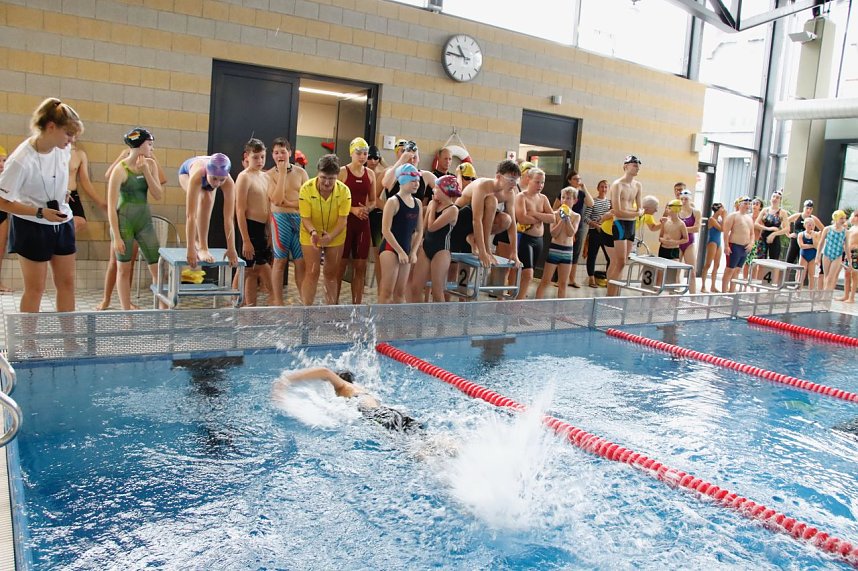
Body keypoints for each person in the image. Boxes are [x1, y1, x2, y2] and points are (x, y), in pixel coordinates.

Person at [0, 98, 83, 319]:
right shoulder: (21, 159)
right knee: (36, 288)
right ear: (50, 127)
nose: (71, 140)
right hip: (32, 224)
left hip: (62, 221)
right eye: (68, 134)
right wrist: (39, 212)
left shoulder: (62, 149)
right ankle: (28, 345)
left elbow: (56, 175)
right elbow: (2, 200)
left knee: (67, 283)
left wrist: (61, 192)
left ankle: (69, 341)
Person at [96, 146, 168, 311]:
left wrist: (147, 169)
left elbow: (161, 184)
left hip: (141, 220)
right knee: (116, 263)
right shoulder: (124, 159)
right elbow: (109, 176)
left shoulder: (150, 161)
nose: (151, 147)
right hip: (124, 220)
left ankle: (128, 303)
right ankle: (107, 299)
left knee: (133, 264)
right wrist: (123, 157)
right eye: (149, 144)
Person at [272, 367, 423, 433]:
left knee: (413, 451)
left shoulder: (343, 387)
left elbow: (324, 371)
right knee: (424, 442)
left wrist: (286, 380)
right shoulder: (360, 390)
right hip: (391, 413)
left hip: (380, 416)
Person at [298, 154, 351, 305]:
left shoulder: (344, 191)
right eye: (323, 178)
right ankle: (306, 312)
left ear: (337, 177)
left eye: (331, 179)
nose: (327, 183)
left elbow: (343, 221)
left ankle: (330, 312)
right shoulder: (306, 189)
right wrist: (313, 233)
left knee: (331, 274)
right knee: (312, 272)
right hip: (310, 232)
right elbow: (305, 218)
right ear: (318, 173)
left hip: (336, 233)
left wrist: (330, 236)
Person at [450, 160, 521, 268]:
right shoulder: (483, 186)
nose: (514, 184)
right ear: (498, 177)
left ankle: (472, 237)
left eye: (516, 180)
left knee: (506, 220)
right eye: (511, 180)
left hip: (476, 222)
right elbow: (476, 219)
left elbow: (512, 225)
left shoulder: (510, 193)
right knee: (491, 200)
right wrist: (484, 252)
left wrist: (514, 252)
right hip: (459, 218)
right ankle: (484, 246)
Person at [178, 152, 239, 269]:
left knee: (208, 197)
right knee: (205, 197)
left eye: (222, 180)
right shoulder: (197, 175)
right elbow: (191, 216)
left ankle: (200, 243)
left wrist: (231, 248)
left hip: (206, 177)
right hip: (186, 173)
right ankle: (202, 247)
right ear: (209, 172)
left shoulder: (229, 182)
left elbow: (229, 218)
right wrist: (190, 249)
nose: (217, 184)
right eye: (214, 178)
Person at [267, 137, 308, 306]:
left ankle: (303, 300)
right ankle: (278, 301)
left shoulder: (301, 173)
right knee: (280, 261)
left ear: (290, 153)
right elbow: (276, 200)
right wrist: (282, 173)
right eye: (276, 152)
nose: (280, 155)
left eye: (283, 152)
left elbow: (307, 201)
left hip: (299, 220)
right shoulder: (269, 175)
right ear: (272, 155)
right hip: (280, 220)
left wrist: (289, 203)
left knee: (300, 261)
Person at [408, 174, 460, 303]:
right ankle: (418, 321)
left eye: (437, 188)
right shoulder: (432, 203)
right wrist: (418, 244)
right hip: (426, 248)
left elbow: (432, 227)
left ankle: (439, 323)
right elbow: (424, 228)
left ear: (445, 191)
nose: (433, 190)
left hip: (441, 251)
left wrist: (433, 208)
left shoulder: (453, 210)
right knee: (416, 288)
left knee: (437, 291)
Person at [337, 137, 376, 305]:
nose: (362, 156)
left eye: (365, 153)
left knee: (360, 267)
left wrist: (368, 208)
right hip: (344, 224)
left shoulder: (371, 174)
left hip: (362, 225)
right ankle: (333, 305)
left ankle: (357, 307)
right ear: (351, 153)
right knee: (340, 267)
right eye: (359, 153)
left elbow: (373, 200)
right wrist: (353, 209)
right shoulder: (342, 172)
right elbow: (335, 199)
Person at [235, 138, 274, 306]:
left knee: (251, 271)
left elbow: (268, 208)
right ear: (247, 157)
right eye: (256, 157)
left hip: (262, 229)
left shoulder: (265, 177)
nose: (260, 161)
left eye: (262, 157)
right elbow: (239, 210)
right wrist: (245, 240)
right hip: (249, 227)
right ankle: (236, 303)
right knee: (250, 268)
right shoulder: (244, 177)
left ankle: (250, 307)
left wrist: (270, 233)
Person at [378, 164, 424, 304]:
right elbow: (385, 230)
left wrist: (414, 251)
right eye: (413, 180)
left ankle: (396, 325)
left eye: (417, 181)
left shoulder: (418, 203)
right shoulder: (393, 202)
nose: (416, 184)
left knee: (400, 292)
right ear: (402, 181)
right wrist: (400, 251)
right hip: (390, 249)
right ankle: (380, 325)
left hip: (406, 249)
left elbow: (419, 230)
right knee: (387, 292)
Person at [514, 168, 556, 299]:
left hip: (539, 240)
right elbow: (522, 218)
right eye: (537, 182)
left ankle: (517, 303)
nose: (540, 185)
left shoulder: (543, 198)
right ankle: (517, 304)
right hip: (524, 238)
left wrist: (535, 214)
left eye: (542, 182)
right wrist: (542, 217)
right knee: (528, 274)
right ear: (528, 180)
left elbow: (553, 218)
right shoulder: (521, 197)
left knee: (528, 276)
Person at [606, 155, 642, 296]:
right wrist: (635, 213)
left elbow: (640, 208)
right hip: (619, 224)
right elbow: (617, 210)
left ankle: (614, 295)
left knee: (623, 262)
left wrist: (634, 213)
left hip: (630, 225)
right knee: (619, 261)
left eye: (638, 165)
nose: (637, 167)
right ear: (625, 166)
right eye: (634, 165)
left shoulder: (638, 185)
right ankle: (609, 296)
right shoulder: (617, 185)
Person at [535, 186, 579, 299]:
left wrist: (567, 219)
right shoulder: (554, 214)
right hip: (555, 249)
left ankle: (560, 311)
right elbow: (553, 233)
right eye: (563, 197)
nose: (565, 200)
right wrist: (561, 220)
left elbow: (571, 233)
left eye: (568, 198)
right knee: (545, 281)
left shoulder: (576, 216)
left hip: (567, 251)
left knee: (563, 284)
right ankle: (536, 304)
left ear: (575, 200)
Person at [554, 171, 594, 288]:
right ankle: (559, 279)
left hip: (578, 225)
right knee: (561, 250)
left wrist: (584, 187)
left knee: (575, 252)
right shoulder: (563, 193)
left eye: (579, 179)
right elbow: (554, 207)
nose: (578, 181)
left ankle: (571, 279)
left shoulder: (581, 194)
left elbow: (591, 203)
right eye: (575, 179)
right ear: (569, 180)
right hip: (565, 222)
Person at [67, 143, 107, 234]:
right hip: (56, 194)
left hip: (72, 194)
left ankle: (62, 244)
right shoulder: (53, 152)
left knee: (80, 222)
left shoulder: (79, 154)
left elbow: (85, 181)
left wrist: (101, 202)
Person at [382, 140, 436, 206]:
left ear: (419, 159)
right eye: (408, 158)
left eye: (414, 157)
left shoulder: (426, 175)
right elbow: (386, 184)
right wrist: (401, 161)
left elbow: (443, 188)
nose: (412, 161)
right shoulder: (394, 173)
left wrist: (432, 207)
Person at [721, 196, 754, 293]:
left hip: (745, 248)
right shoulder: (733, 216)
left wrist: (751, 243)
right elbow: (726, 232)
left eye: (748, 204)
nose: (747, 206)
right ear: (739, 204)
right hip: (734, 246)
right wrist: (726, 246)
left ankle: (732, 292)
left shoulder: (749, 218)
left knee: (737, 270)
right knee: (729, 270)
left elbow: (752, 233)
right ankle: (724, 292)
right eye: (745, 203)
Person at [584, 179, 611, 288]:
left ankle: (609, 279)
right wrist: (595, 225)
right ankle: (591, 279)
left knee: (610, 257)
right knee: (592, 256)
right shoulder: (593, 201)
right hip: (594, 232)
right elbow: (585, 217)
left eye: (605, 187)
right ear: (598, 188)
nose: (603, 189)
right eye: (601, 187)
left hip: (607, 233)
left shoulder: (610, 203)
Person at [677, 188, 701, 293]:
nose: (684, 201)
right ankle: (674, 296)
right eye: (682, 199)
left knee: (692, 272)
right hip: (677, 243)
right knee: (676, 272)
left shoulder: (696, 212)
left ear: (690, 199)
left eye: (686, 199)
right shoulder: (676, 211)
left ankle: (693, 297)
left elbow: (696, 228)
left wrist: (681, 228)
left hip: (689, 243)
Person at [817, 210, 848, 291]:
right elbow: (821, 243)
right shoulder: (827, 229)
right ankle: (826, 295)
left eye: (844, 218)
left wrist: (849, 260)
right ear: (836, 219)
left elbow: (846, 246)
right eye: (841, 218)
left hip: (838, 255)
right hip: (827, 254)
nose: (843, 220)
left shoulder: (845, 231)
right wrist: (818, 256)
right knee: (826, 276)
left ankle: (826, 297)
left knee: (831, 277)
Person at [786, 199, 824, 265]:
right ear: (804, 208)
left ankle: (800, 275)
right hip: (795, 241)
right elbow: (785, 222)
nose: (808, 210)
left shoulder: (813, 218)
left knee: (802, 264)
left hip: (806, 243)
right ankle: (786, 275)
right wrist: (788, 234)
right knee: (789, 261)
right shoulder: (798, 216)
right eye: (807, 208)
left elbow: (823, 230)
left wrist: (816, 237)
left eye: (810, 209)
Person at [700, 203, 724, 293]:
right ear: (718, 209)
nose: (723, 210)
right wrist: (724, 217)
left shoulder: (720, 219)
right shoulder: (712, 219)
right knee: (708, 264)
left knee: (717, 265)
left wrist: (724, 217)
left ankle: (713, 286)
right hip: (712, 242)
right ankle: (703, 286)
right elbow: (721, 229)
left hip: (718, 242)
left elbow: (724, 228)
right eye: (722, 208)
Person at [796, 217, 819, 291]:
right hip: (803, 256)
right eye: (809, 225)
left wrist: (812, 238)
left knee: (811, 275)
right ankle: (798, 292)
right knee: (801, 275)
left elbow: (817, 246)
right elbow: (801, 246)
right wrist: (811, 246)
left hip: (812, 257)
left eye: (812, 225)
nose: (810, 227)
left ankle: (811, 293)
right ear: (805, 225)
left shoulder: (816, 234)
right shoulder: (801, 234)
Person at [840, 211, 858, 303]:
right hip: (848, 253)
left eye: (852, 216)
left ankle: (851, 297)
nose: (850, 218)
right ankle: (845, 295)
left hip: (856, 253)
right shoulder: (852, 228)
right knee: (847, 274)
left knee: (854, 275)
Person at [0, 145, 10, 292]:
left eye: (4, 161)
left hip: (2, 214)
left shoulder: (6, 179)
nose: (2, 165)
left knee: (0, 250)